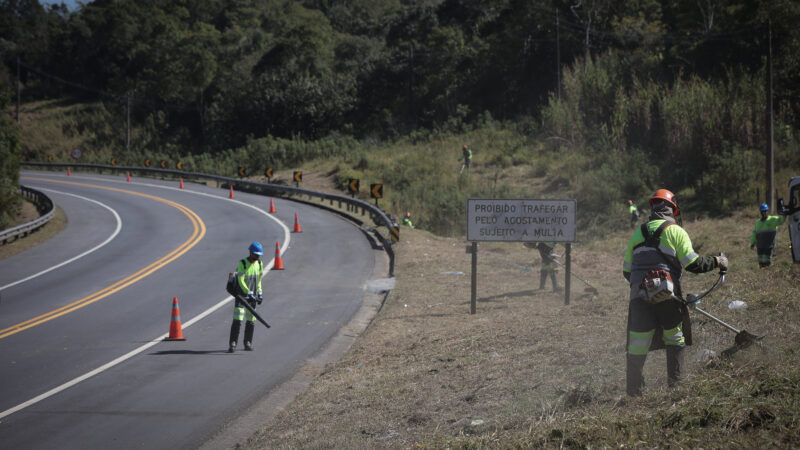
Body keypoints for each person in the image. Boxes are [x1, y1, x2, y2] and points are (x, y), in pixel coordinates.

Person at [623, 189, 727, 397]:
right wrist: (718, 261)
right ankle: (676, 388)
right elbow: (693, 263)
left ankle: (634, 394)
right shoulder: (676, 231)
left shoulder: (637, 233)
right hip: (668, 299)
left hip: (639, 298)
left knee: (637, 345)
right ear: (673, 210)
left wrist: (646, 287)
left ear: (653, 208)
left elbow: (627, 271)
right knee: (675, 338)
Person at [228, 242, 265, 353]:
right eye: (256, 254)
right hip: (242, 296)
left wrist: (260, 293)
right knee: (238, 319)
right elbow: (241, 280)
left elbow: (259, 280)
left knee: (251, 320)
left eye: (259, 255)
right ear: (250, 252)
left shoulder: (260, 264)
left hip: (253, 297)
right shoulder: (242, 263)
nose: (257, 256)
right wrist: (249, 293)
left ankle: (248, 343)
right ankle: (233, 343)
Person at [750, 203, 786, 267]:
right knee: (761, 263)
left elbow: (782, 220)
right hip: (760, 246)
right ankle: (762, 271)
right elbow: (754, 234)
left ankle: (767, 271)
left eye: (765, 211)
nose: (764, 213)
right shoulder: (758, 222)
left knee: (767, 262)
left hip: (769, 246)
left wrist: (784, 214)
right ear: (760, 212)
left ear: (767, 211)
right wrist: (752, 243)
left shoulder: (773, 220)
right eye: (762, 211)